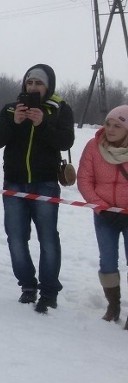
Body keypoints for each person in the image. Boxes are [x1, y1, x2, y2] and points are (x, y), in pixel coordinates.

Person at [0, 63, 75, 313]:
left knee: (47, 238)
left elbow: (66, 140)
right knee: (16, 237)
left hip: (45, 183)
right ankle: (27, 285)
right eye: (30, 82)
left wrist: (43, 124)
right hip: (14, 182)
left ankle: (48, 292)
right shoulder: (10, 109)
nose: (34, 87)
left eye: (39, 83)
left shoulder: (59, 109)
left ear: (48, 86)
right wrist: (14, 122)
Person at [77, 105, 128, 328]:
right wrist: (102, 207)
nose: (111, 129)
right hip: (104, 215)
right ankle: (113, 305)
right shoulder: (93, 147)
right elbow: (84, 180)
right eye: (108, 123)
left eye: (118, 125)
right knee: (107, 260)